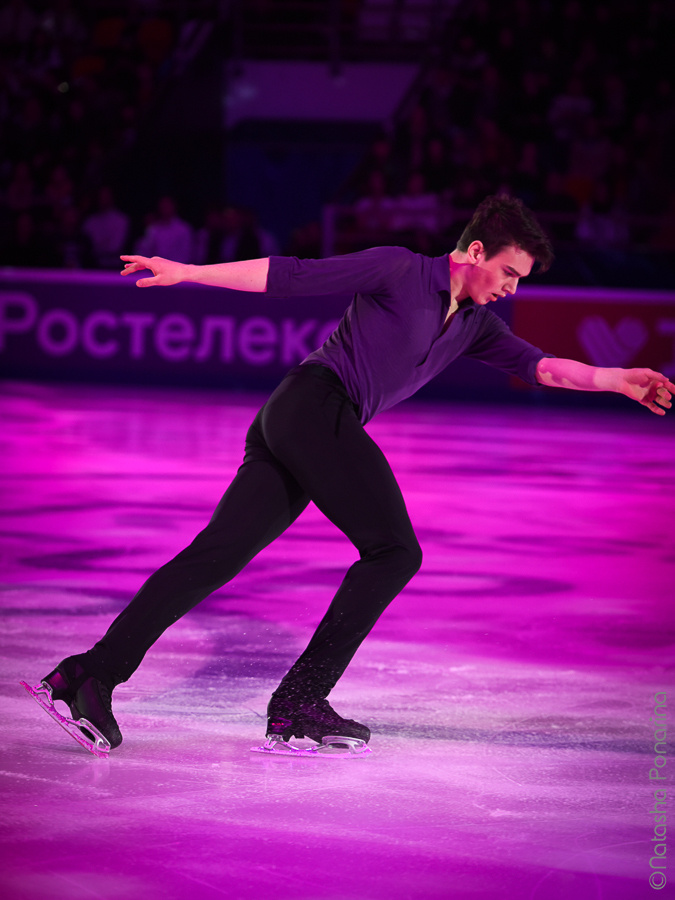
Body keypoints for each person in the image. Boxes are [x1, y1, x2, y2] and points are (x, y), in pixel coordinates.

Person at [22, 195, 674, 759]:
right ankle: (299, 702)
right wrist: (190, 272)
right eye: (508, 272)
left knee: (214, 557)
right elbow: (292, 275)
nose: (511, 289)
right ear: (475, 251)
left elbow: (542, 367)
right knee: (394, 551)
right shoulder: (400, 269)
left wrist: (615, 379)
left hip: (302, 421)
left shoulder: (475, 327)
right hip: (314, 404)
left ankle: (88, 677)